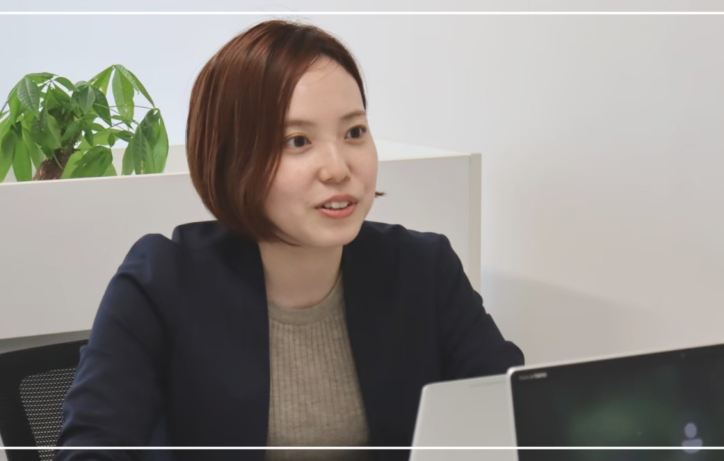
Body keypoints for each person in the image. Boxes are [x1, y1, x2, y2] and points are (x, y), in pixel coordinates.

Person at [54, 19, 524, 461]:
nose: (338, 168)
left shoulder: (424, 268)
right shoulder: (162, 280)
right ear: (232, 159)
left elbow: (518, 418)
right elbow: (91, 448)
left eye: (354, 132)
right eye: (298, 141)